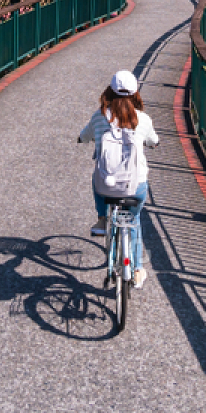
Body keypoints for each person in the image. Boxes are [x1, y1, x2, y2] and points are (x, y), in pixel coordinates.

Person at [78, 70, 158, 288]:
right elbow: (153, 140)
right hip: (136, 186)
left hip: (107, 187)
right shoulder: (143, 119)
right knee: (134, 220)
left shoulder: (100, 116)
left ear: (110, 91)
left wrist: (81, 139)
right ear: (135, 94)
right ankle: (138, 268)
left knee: (97, 179)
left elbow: (85, 135)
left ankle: (102, 219)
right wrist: (153, 143)